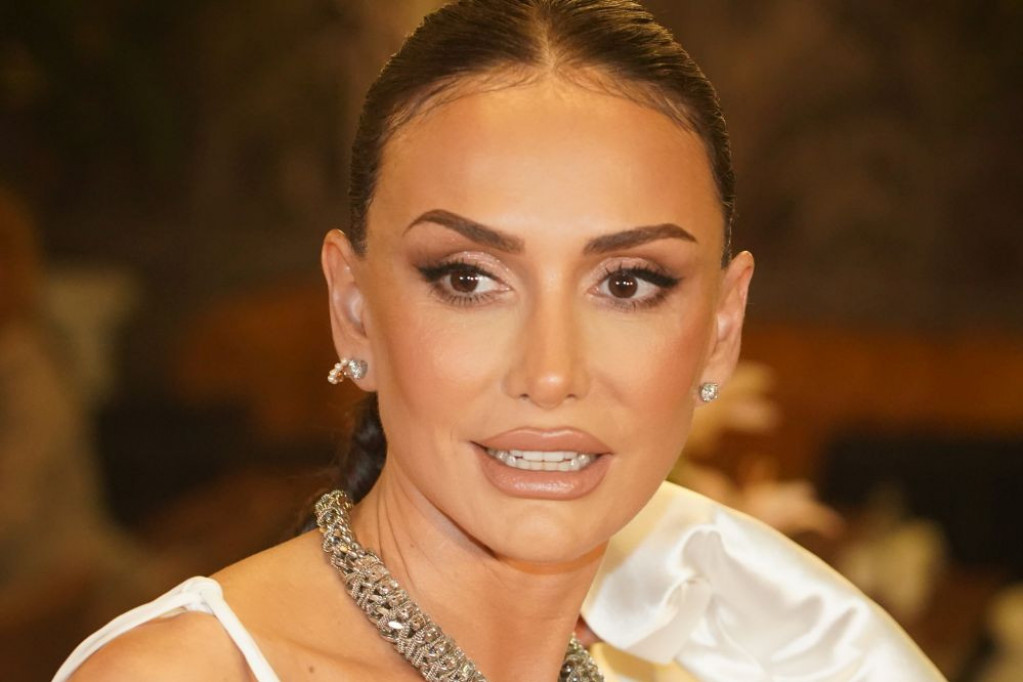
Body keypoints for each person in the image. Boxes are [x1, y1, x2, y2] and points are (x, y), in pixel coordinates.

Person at [56, 1, 943, 680]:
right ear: (353, 309)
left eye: (627, 283)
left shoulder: (725, 657)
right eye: (468, 279)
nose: (550, 373)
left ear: (721, 330)